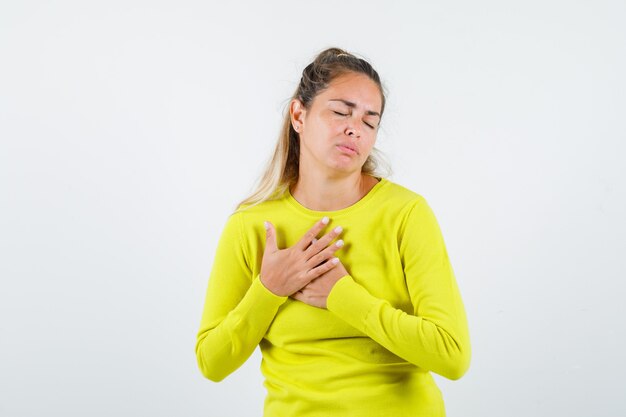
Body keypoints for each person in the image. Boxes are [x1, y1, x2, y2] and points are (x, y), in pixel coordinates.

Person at [195, 47, 471, 417]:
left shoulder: (406, 214)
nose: (354, 127)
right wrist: (269, 290)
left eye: (370, 122)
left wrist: (342, 295)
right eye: (341, 112)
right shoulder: (250, 226)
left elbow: (452, 356)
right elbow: (212, 363)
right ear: (299, 115)